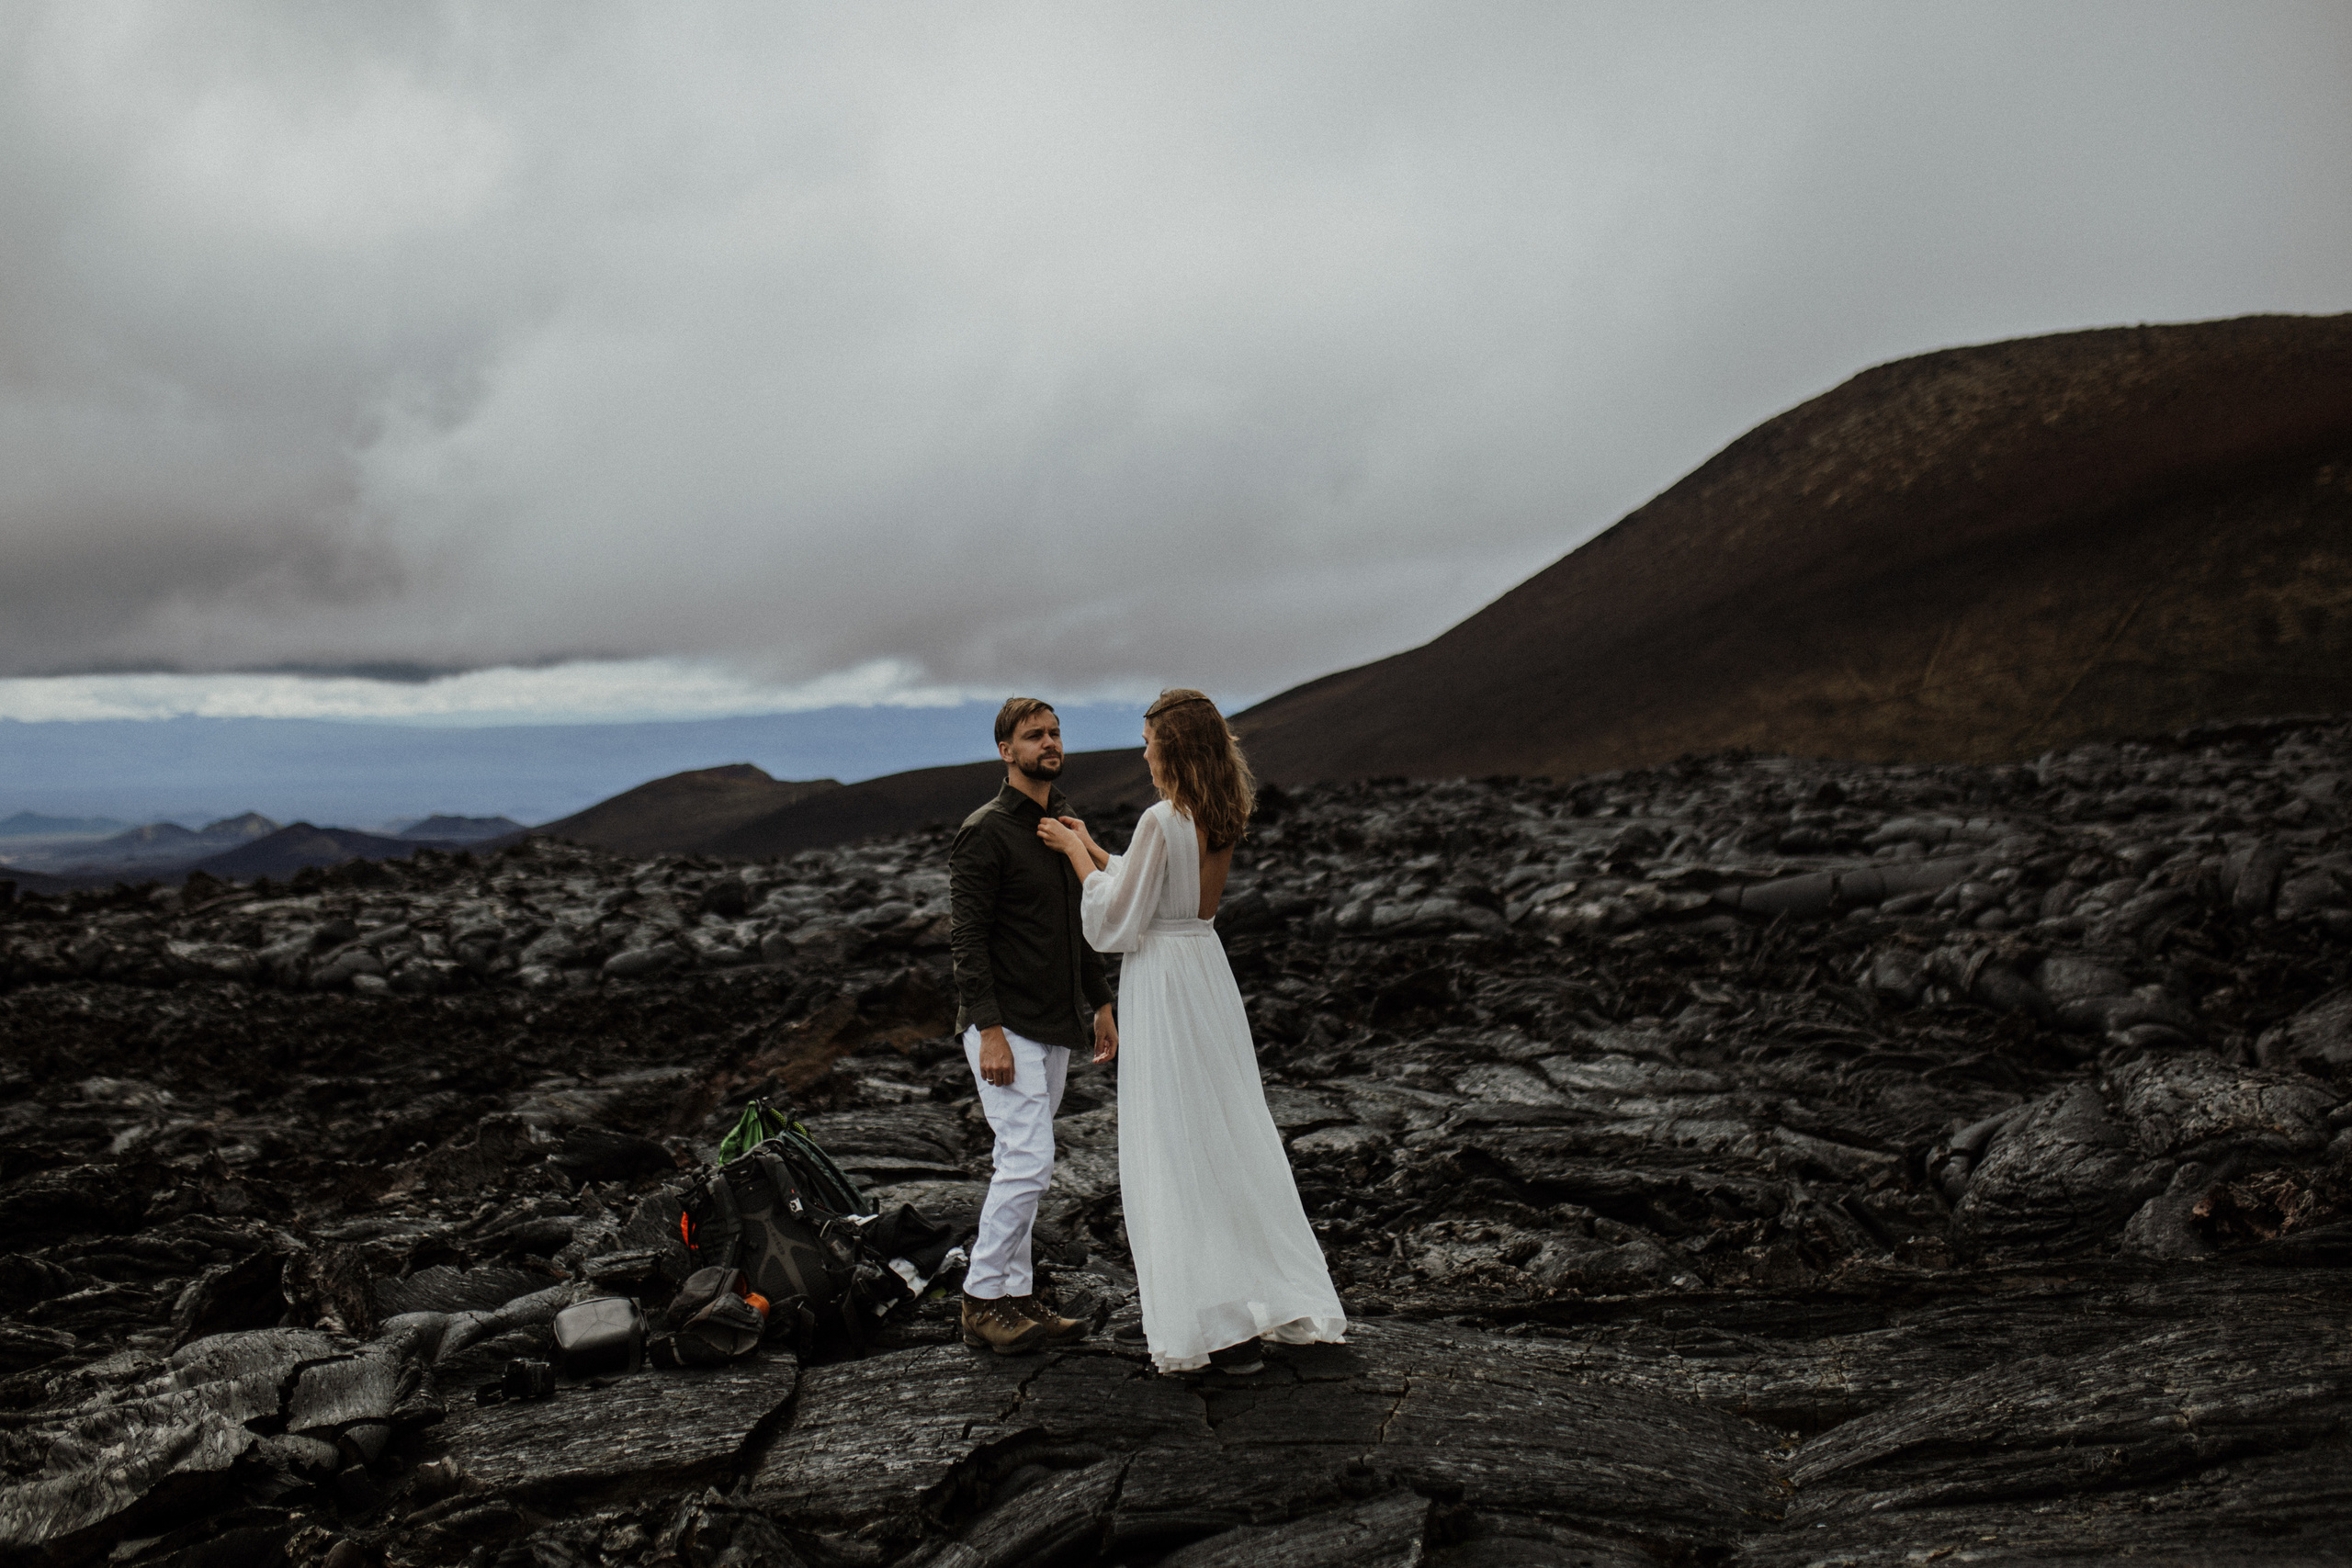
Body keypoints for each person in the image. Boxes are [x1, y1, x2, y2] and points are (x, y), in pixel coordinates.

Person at [1037, 689, 1346, 1374]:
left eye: (1149, 742)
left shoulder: (1161, 817)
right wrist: (1098, 847)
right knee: (1225, 1130)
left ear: (1171, 749)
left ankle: (1219, 1326)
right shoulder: (1216, 812)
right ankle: (1261, 1299)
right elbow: (1168, 893)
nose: (1143, 753)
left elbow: (1117, 921)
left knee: (1175, 1139)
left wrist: (1074, 854)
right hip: (1205, 971)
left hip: (1164, 984)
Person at [948, 696, 1120, 1355]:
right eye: (1033, 735)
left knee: (1016, 1161)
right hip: (1007, 1025)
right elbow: (968, 938)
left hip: (1054, 1024)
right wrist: (988, 1029)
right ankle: (980, 1297)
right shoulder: (985, 830)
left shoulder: (1061, 825)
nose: (1049, 743)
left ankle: (1016, 1297)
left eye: (1054, 732)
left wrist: (1100, 1003)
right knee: (1028, 1160)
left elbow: (1080, 926)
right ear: (1006, 751)